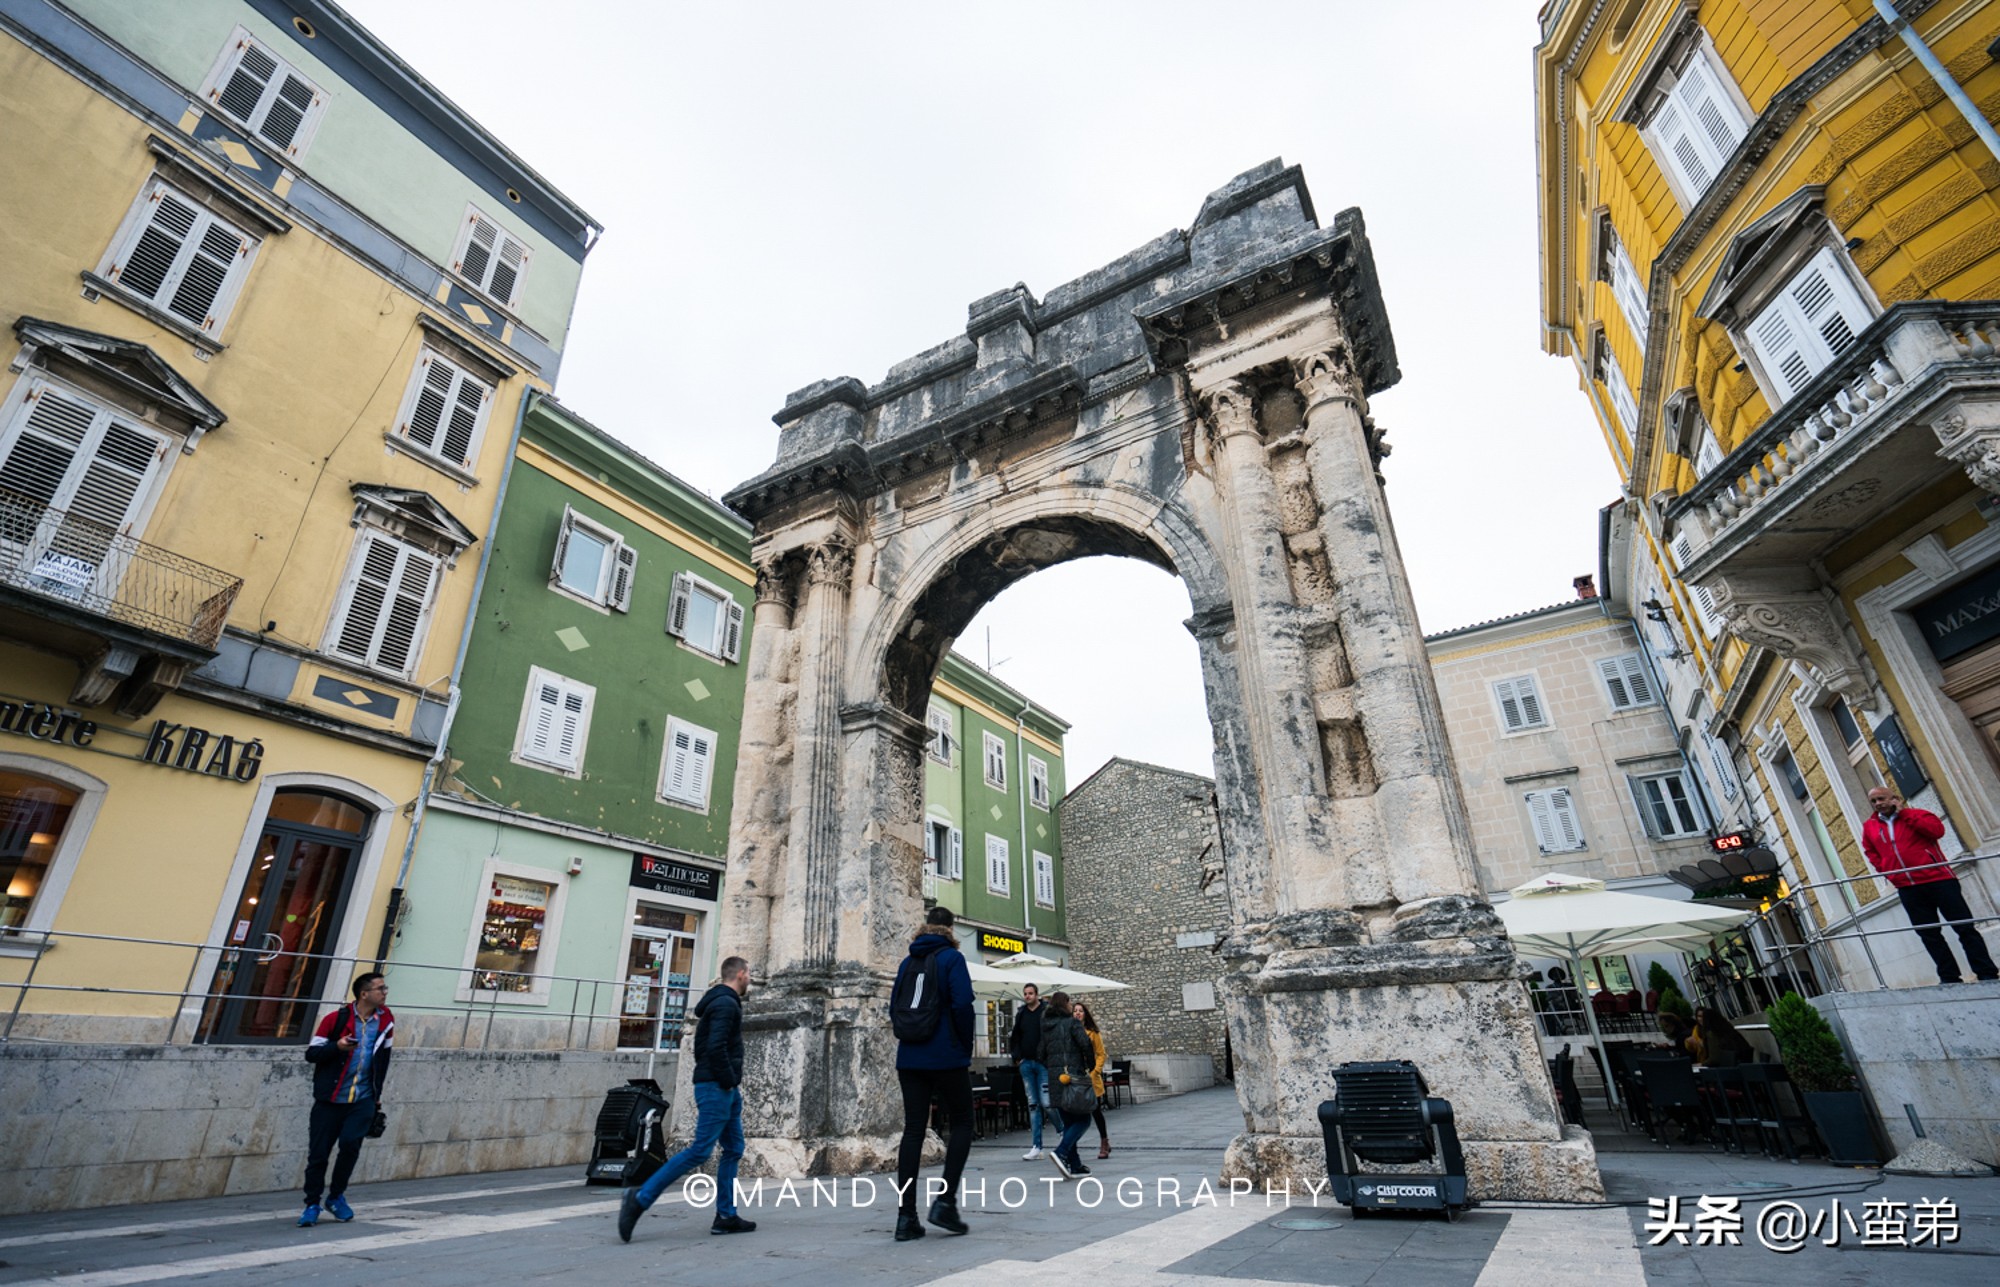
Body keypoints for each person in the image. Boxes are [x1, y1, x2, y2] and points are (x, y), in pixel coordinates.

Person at [618, 957, 758, 1242]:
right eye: (749, 974)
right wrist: (728, 1080)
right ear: (740, 974)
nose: (750, 979)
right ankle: (639, 1198)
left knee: (733, 1148)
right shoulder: (725, 1004)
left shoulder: (722, 1002)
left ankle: (726, 1215)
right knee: (699, 1151)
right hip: (717, 1086)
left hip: (724, 1088)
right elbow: (713, 1047)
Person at [889, 906, 975, 1242]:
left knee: (913, 1131)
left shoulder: (907, 962)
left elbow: (894, 1004)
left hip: (909, 1055)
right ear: (951, 929)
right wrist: (962, 1046)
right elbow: (962, 1004)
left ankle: (905, 1216)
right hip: (945, 1054)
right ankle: (945, 1201)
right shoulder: (952, 959)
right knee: (963, 1121)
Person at [1861, 787, 1999, 984]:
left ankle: (1986, 973)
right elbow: (1870, 852)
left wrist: (1905, 814)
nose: (1877, 804)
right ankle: (1949, 977)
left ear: (1894, 798)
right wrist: (1888, 872)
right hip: (1908, 887)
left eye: (1881, 799)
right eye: (1873, 801)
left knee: (1964, 928)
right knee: (1929, 935)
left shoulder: (1918, 814)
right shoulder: (1870, 827)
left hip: (1939, 880)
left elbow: (1936, 831)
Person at [299, 973, 393, 1227]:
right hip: (329, 1099)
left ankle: (337, 1196)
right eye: (380, 988)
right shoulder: (335, 1020)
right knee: (318, 1154)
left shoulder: (386, 1021)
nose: (385, 992)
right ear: (364, 994)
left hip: (362, 1098)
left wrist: (376, 1096)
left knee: (351, 1145)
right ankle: (311, 1204)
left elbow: (383, 1061)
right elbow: (312, 1054)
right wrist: (337, 1047)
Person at [1037, 991, 1097, 1179]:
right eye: (1070, 1002)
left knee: (1070, 1122)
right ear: (1065, 1004)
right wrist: (1089, 1065)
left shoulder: (1046, 1027)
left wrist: (1053, 1068)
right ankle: (1061, 1152)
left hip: (1056, 1079)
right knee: (1083, 1120)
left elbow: (1040, 1054)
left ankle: (1075, 1165)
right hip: (1073, 1078)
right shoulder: (1072, 1023)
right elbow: (1085, 1044)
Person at [1007, 982, 1053, 1160]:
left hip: (1042, 1064)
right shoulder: (1021, 1014)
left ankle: (1062, 1131)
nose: (1027, 996)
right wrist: (1017, 1057)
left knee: (1047, 1103)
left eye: (1030, 993)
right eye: (1025, 994)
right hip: (1026, 1064)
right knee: (1033, 1105)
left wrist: (1047, 1057)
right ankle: (1037, 1146)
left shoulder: (1045, 1012)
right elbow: (1015, 1036)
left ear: (1037, 994)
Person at [1072, 1000, 1111, 1160]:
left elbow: (1101, 1054)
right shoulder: (1070, 1032)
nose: (1078, 1013)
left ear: (1085, 1014)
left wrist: (1095, 1071)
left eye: (1080, 1011)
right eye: (1075, 1011)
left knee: (1096, 1112)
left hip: (1091, 1077)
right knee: (1076, 1113)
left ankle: (1104, 1141)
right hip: (1077, 1077)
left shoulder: (1093, 1033)